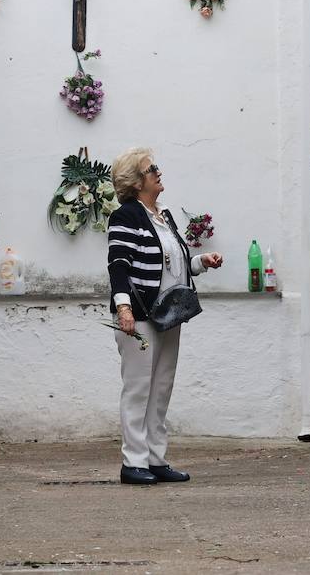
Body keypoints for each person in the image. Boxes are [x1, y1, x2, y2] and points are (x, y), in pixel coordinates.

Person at [106, 148, 224, 486]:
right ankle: (133, 462)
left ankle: (155, 459)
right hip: (139, 315)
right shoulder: (126, 216)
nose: (158, 172)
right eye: (151, 169)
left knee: (161, 389)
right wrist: (124, 308)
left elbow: (173, 262)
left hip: (168, 314)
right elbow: (119, 265)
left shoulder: (164, 215)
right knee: (138, 389)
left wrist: (201, 262)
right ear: (136, 181)